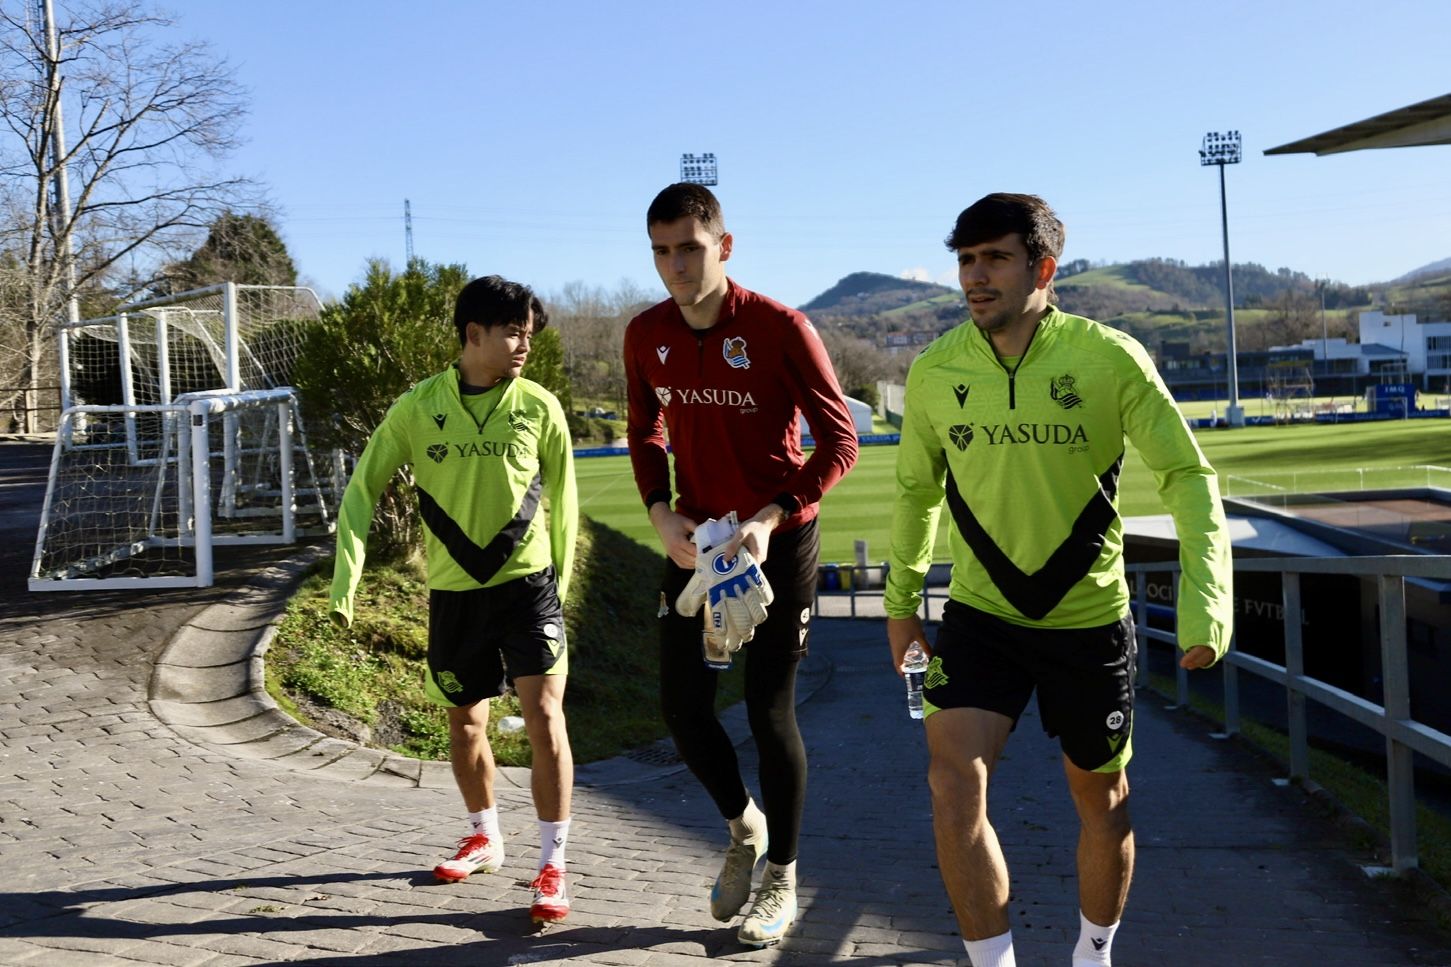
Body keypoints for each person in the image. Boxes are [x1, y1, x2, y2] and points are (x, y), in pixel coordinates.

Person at [884, 193, 1233, 967]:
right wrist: (901, 603)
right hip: (980, 618)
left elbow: (1185, 475)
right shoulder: (936, 369)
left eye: (994, 259)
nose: (974, 277)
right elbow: (915, 490)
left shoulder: (1108, 357)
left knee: (1101, 802)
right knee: (951, 783)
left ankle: (1093, 951)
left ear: (1042, 268)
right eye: (965, 260)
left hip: (1089, 623)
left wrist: (1206, 602)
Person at [623, 183, 859, 948]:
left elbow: (838, 442)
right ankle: (743, 825)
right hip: (696, 540)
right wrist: (661, 513)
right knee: (683, 710)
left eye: (689, 247)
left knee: (767, 710)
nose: (675, 266)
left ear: (723, 245)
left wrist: (769, 517)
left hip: (775, 542)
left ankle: (783, 877)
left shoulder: (779, 327)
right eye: (661, 251)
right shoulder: (644, 333)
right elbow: (644, 430)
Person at [328, 275, 579, 925]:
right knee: (465, 724)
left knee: (545, 716)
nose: (526, 343)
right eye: (514, 331)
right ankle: (484, 835)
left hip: (529, 588)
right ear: (474, 334)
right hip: (453, 594)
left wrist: (564, 589)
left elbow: (568, 502)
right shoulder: (416, 406)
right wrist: (344, 585)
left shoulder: (539, 407)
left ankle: (552, 861)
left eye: (530, 331)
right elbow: (361, 490)